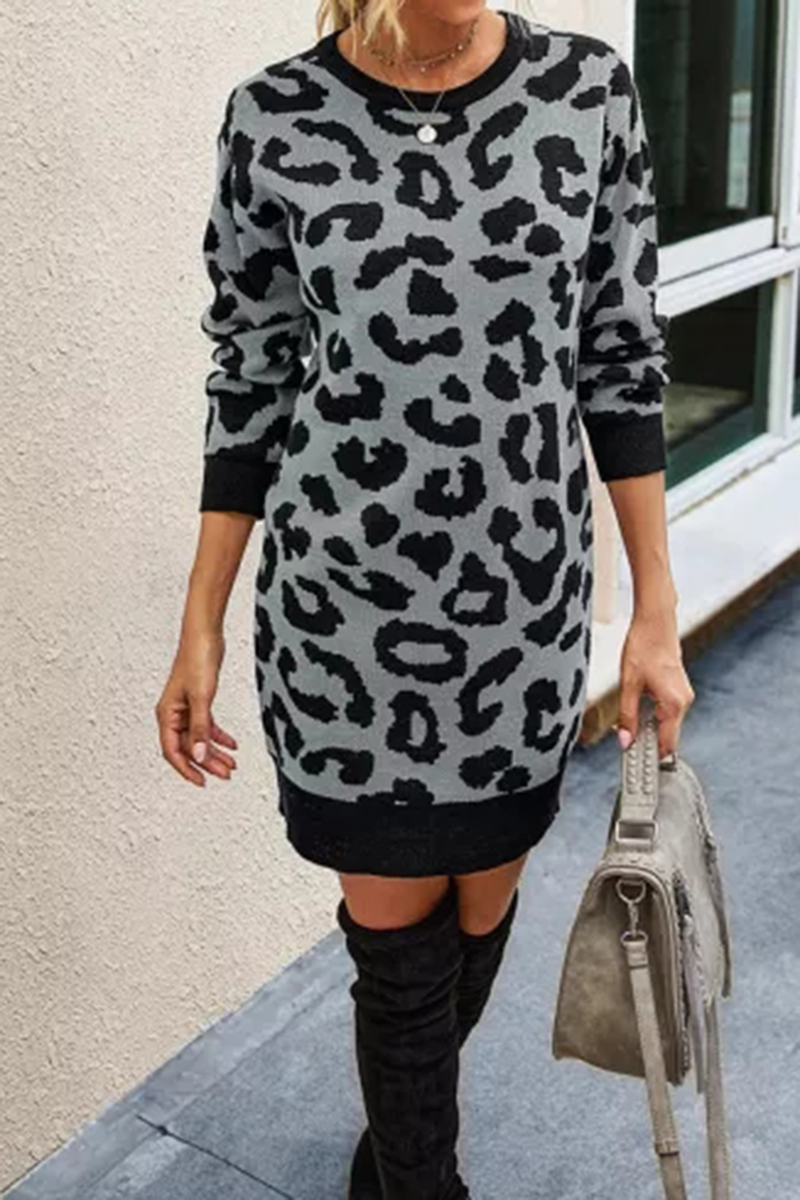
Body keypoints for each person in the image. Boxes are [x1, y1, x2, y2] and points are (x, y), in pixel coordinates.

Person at [155, 1, 694, 1196]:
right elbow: (250, 378)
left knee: (477, 917)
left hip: (521, 617)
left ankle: (397, 1147)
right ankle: (415, 1178)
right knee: (396, 961)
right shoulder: (275, 116)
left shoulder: (585, 93)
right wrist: (201, 621)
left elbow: (619, 356)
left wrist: (653, 609)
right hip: (339, 620)